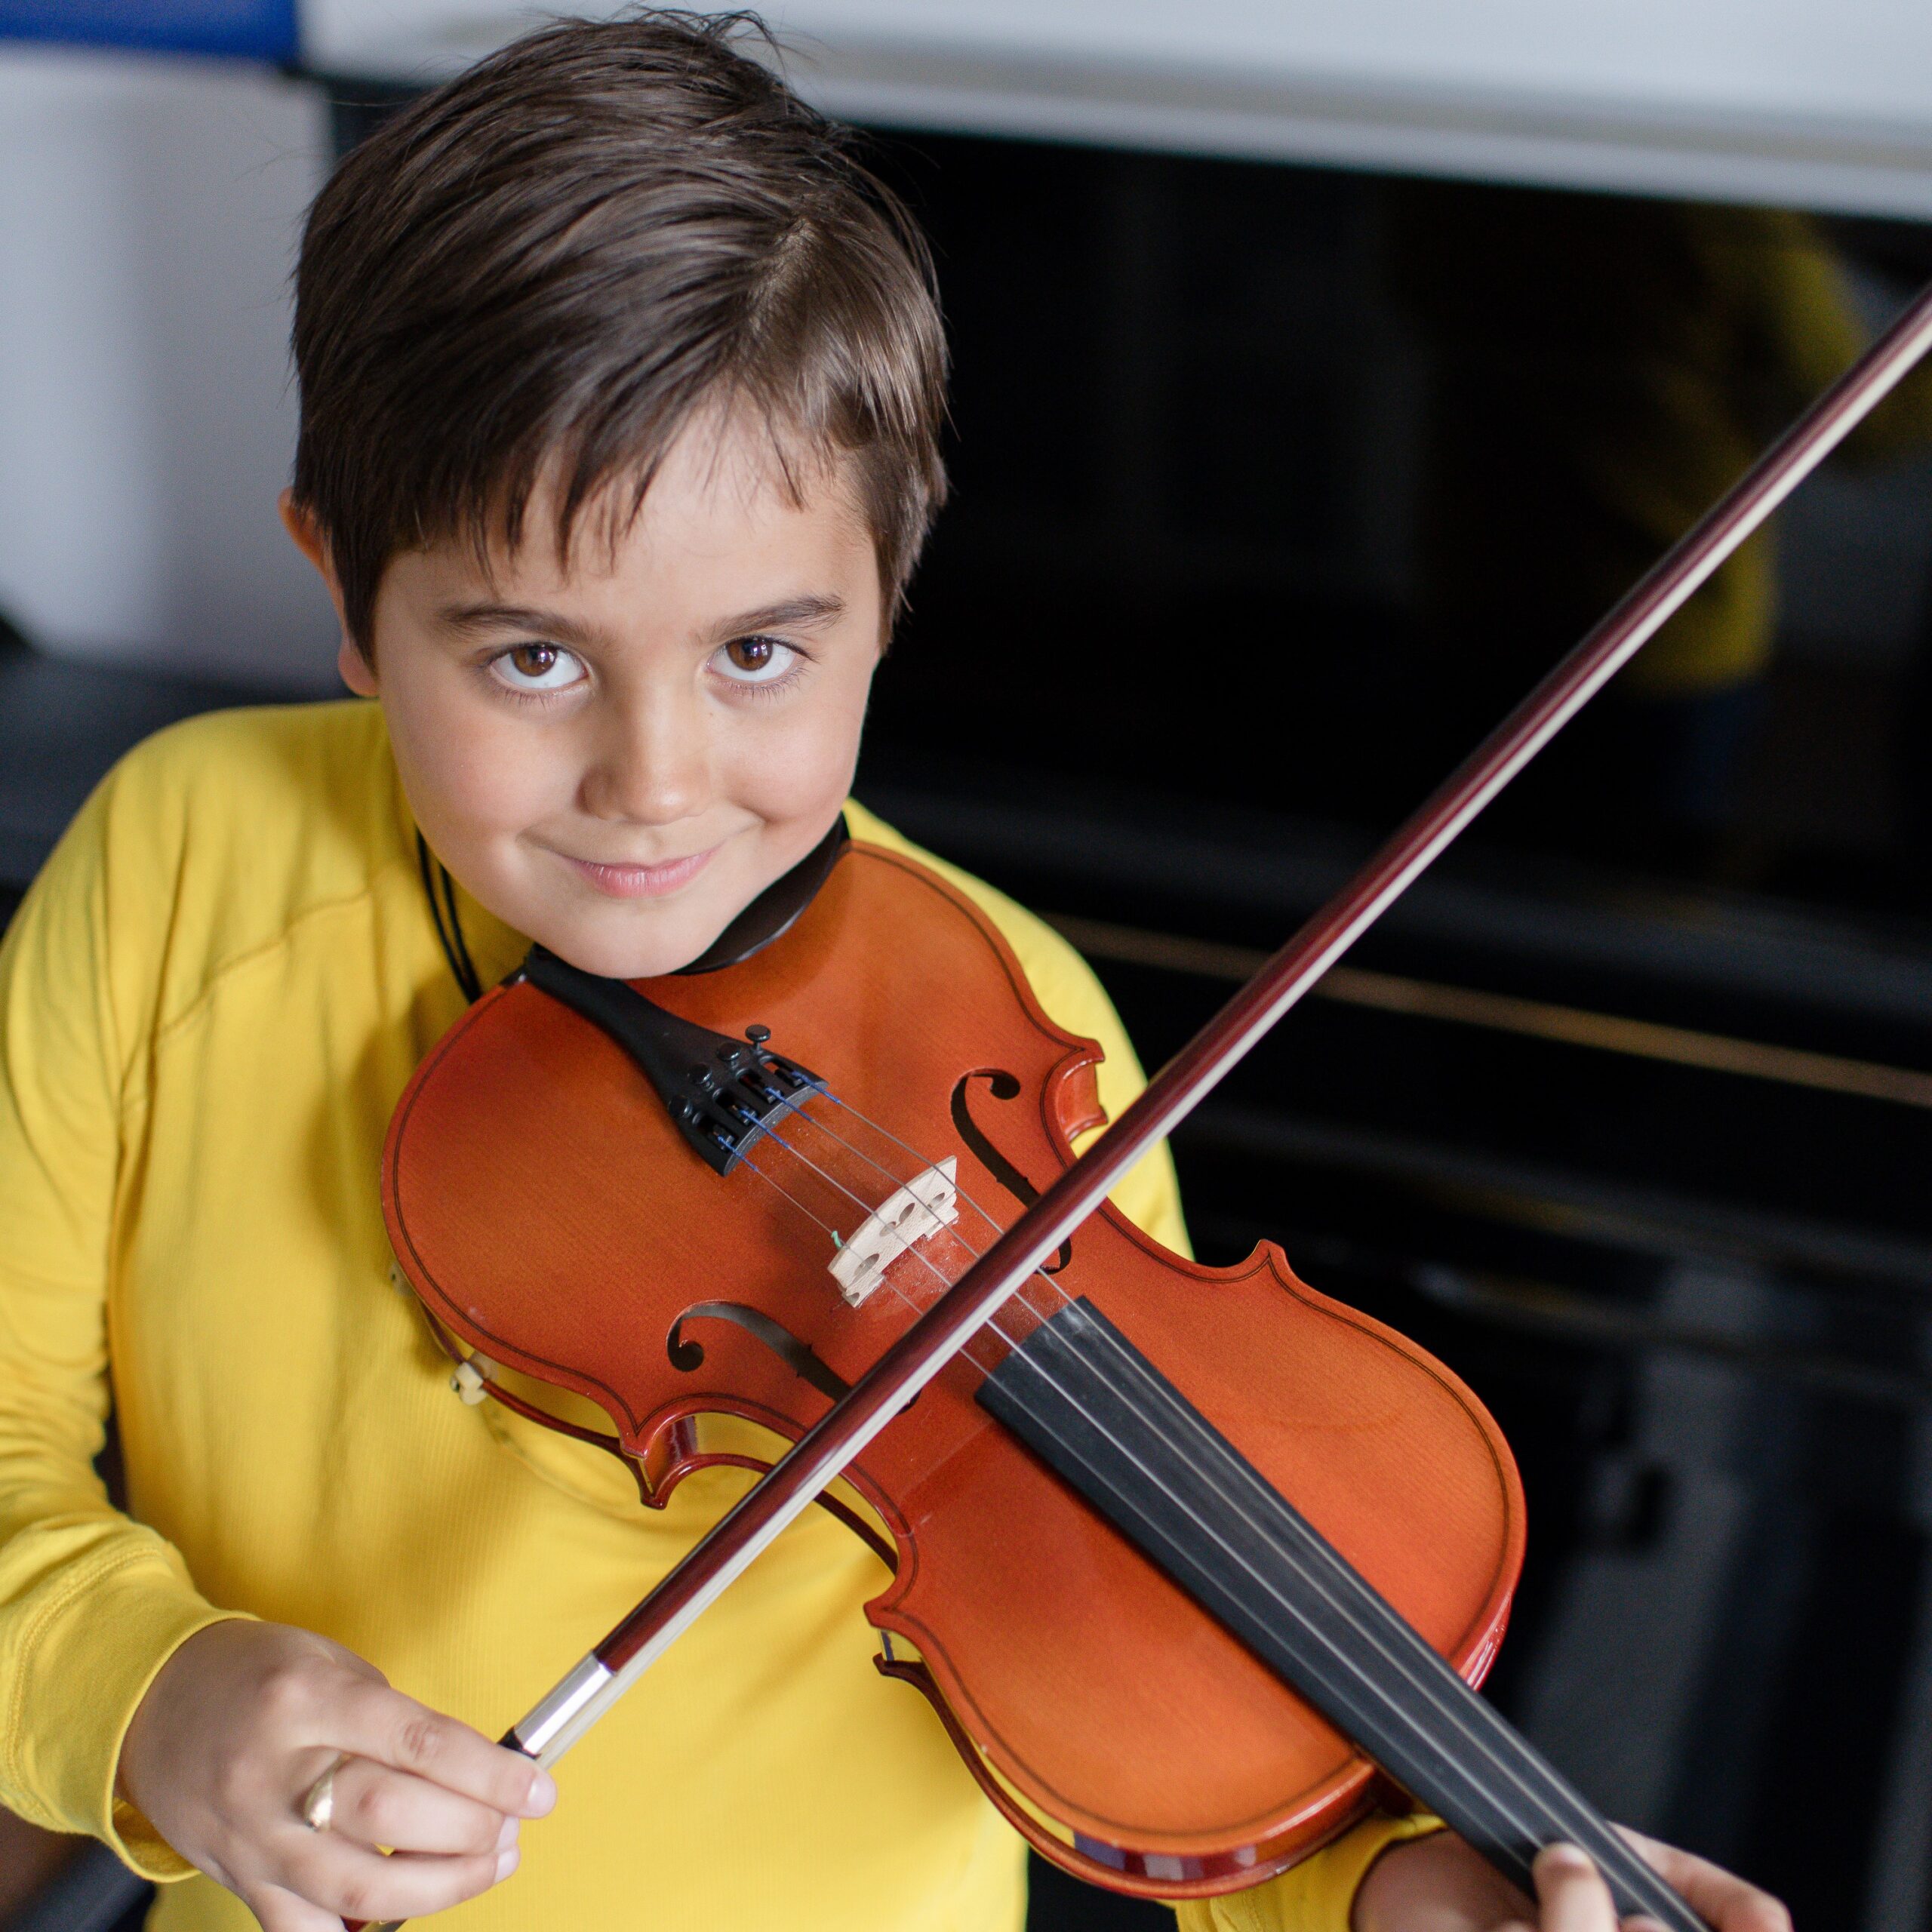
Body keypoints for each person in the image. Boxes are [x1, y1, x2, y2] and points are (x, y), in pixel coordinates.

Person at [0, 17, 1788, 1932]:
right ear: (345, 591)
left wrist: (1376, 1892)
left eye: (758, 653)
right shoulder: (187, 860)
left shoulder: (1021, 1040)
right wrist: (151, 1691)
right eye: (530, 657)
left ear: (887, 592)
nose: (652, 781)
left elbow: (1173, 1726)